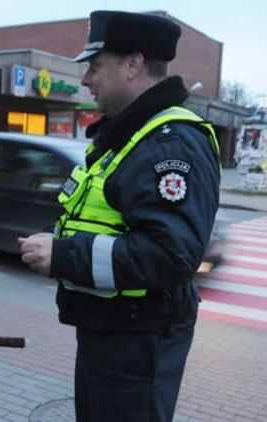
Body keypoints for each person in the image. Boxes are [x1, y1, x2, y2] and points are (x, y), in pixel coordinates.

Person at [19, 11, 220, 422]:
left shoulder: (171, 143)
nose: (86, 80)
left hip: (139, 341)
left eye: (95, 66)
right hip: (112, 333)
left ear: (133, 65)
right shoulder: (127, 136)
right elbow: (100, 218)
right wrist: (55, 240)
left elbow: (171, 254)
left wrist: (63, 256)